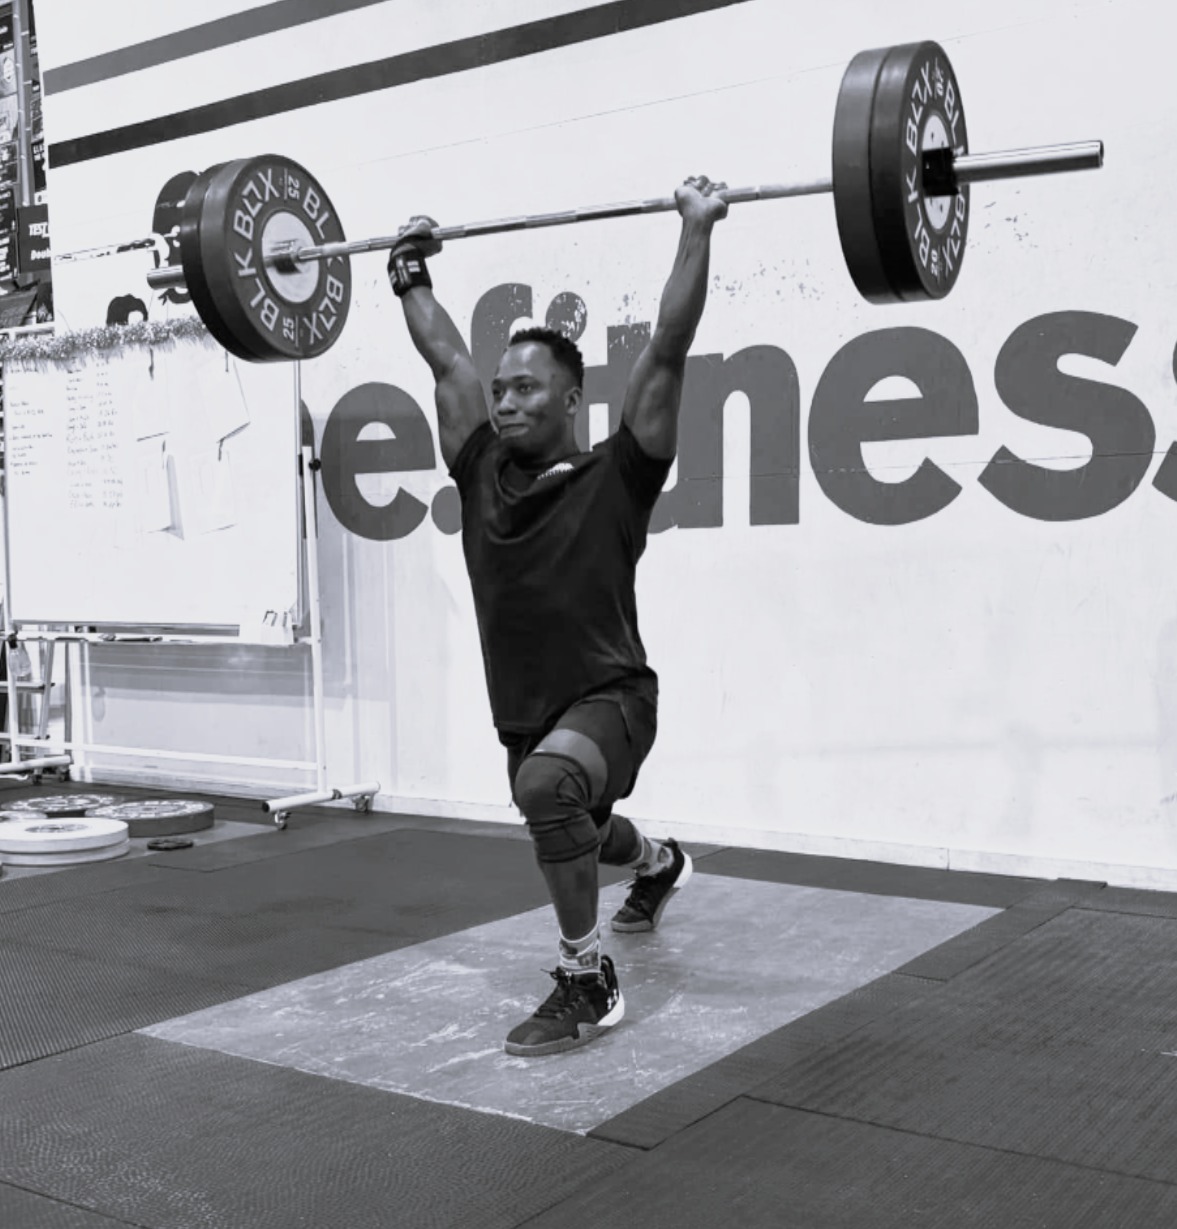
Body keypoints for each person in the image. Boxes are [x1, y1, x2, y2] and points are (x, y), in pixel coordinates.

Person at [388, 175, 728, 1057]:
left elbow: (670, 347)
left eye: (528, 389)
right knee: (570, 818)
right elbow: (446, 362)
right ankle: (658, 863)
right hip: (530, 710)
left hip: (613, 695)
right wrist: (408, 274)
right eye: (502, 389)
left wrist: (695, 228)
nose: (505, 400)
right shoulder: (479, 470)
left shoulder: (620, 471)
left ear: (572, 399)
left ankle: (586, 976)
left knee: (549, 790)